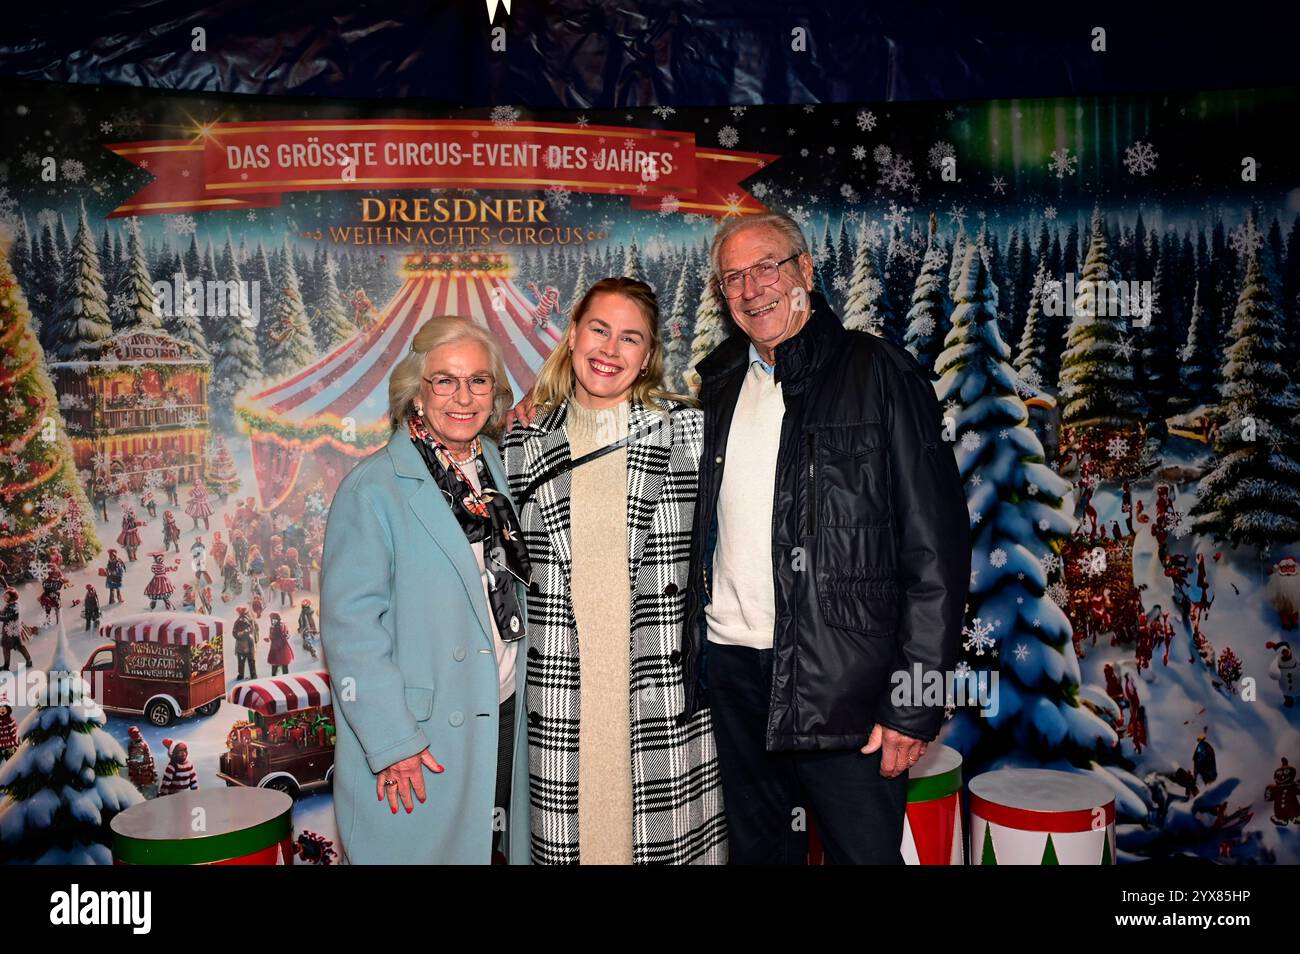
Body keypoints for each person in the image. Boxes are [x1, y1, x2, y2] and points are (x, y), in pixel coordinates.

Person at [509, 211, 968, 864]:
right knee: (757, 857)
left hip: (842, 691)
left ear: (806, 271)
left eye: (767, 267)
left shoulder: (879, 373)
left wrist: (914, 703)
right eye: (733, 278)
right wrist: (530, 410)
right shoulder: (718, 388)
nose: (752, 289)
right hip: (731, 680)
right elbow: (608, 430)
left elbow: (937, 550)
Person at [501, 278, 726, 864]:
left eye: (631, 339)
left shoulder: (689, 433)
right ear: (573, 334)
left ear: (648, 356)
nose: (610, 349)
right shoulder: (521, 442)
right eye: (599, 330)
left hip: (661, 696)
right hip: (560, 700)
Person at [321, 316, 531, 865]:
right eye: (445, 380)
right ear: (416, 392)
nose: (463, 397)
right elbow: (351, 632)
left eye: (479, 381)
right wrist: (394, 742)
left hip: (504, 712)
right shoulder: (372, 489)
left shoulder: (498, 473)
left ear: (495, 392)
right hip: (423, 737)